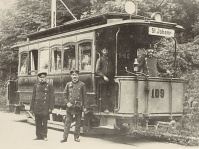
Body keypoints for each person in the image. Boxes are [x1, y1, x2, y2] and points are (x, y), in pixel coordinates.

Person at [60, 70, 87, 143]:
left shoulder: (82, 84)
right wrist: (67, 103)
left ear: (78, 76)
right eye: (73, 75)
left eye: (76, 75)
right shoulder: (68, 84)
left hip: (78, 106)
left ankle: (76, 137)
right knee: (67, 122)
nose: (74, 76)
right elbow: (64, 95)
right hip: (70, 106)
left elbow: (84, 96)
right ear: (71, 76)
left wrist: (84, 107)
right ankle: (65, 137)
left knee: (78, 123)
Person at [30, 72, 55, 141]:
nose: (42, 78)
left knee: (44, 123)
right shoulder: (36, 86)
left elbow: (52, 97)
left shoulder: (49, 86)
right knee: (37, 122)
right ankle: (38, 135)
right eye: (41, 77)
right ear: (38, 78)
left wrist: (50, 108)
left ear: (45, 78)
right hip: (37, 107)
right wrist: (31, 108)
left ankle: (44, 135)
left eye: (43, 77)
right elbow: (33, 97)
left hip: (45, 107)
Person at [96, 47, 115, 113]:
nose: (106, 52)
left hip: (110, 79)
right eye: (104, 50)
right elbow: (97, 70)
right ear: (102, 51)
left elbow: (112, 69)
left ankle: (111, 108)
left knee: (110, 94)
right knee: (103, 94)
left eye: (107, 50)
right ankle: (105, 108)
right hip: (102, 80)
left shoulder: (109, 60)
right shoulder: (100, 59)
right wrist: (104, 76)